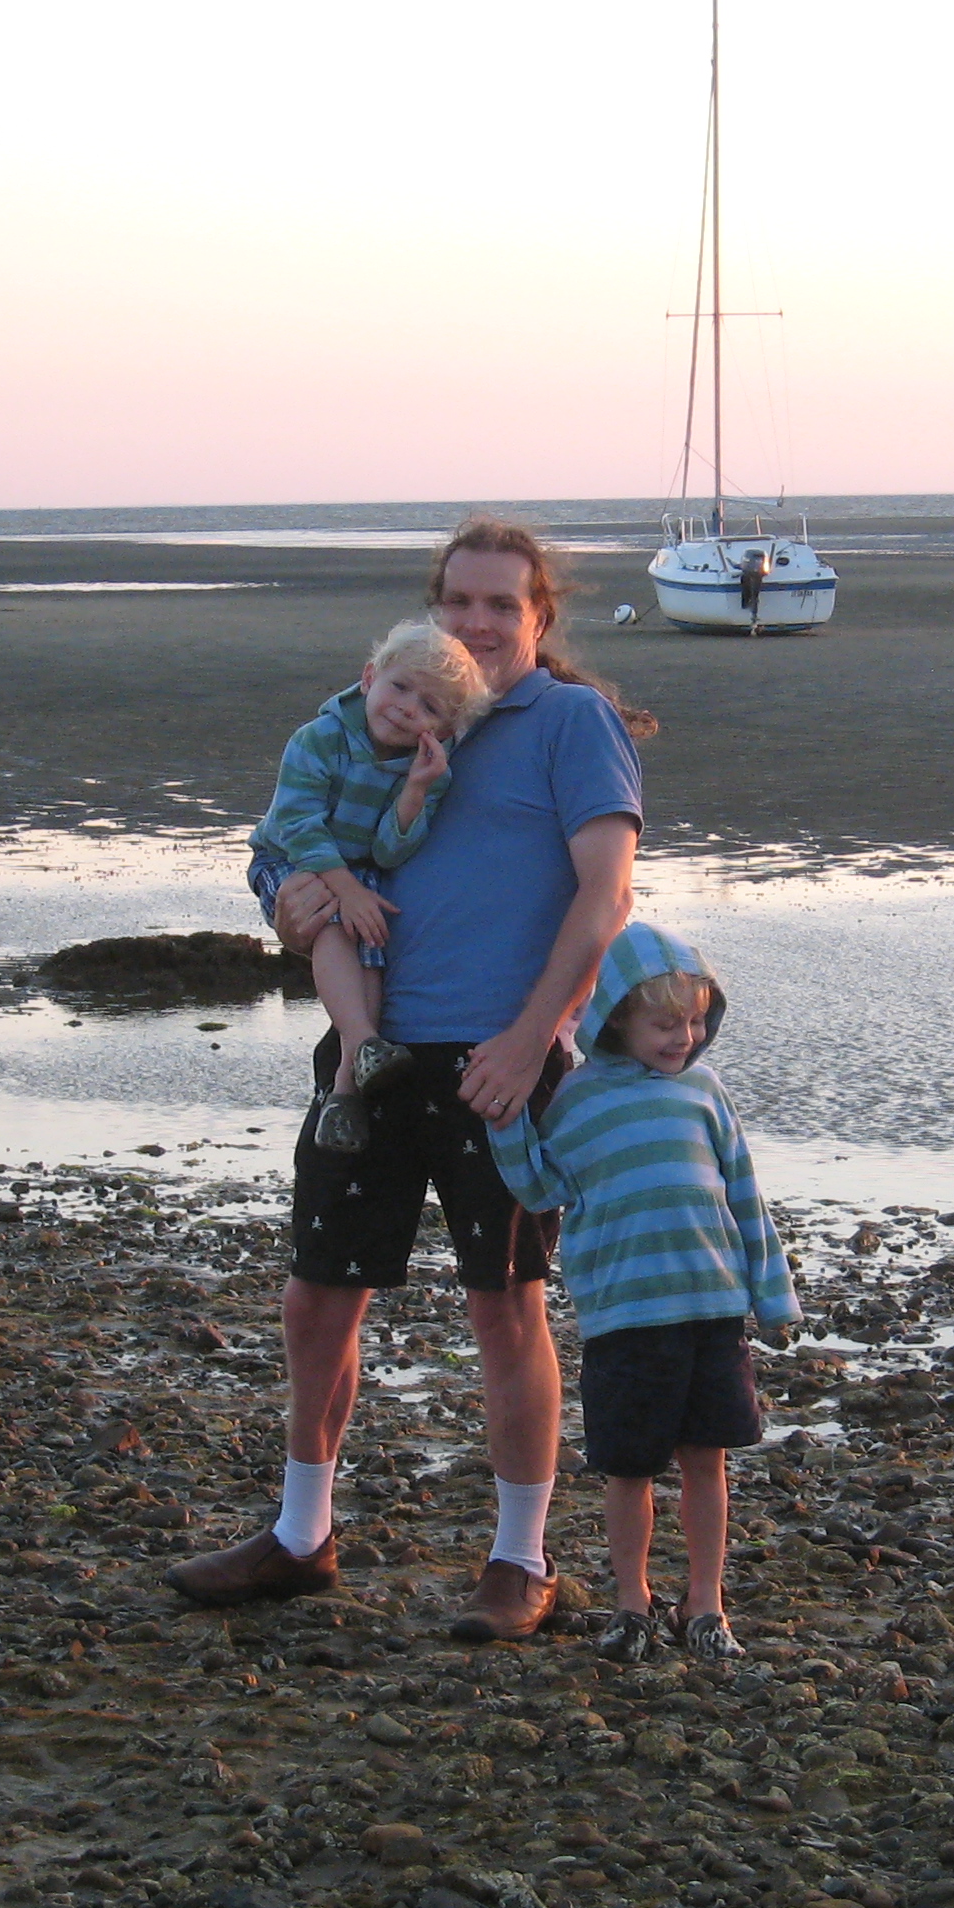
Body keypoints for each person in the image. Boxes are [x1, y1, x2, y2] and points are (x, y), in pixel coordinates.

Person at [169, 518, 655, 1643]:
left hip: (500, 1062)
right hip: (370, 1055)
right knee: (316, 1297)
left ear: (539, 617)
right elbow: (284, 843)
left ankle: (521, 1558)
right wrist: (286, 902)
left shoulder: (569, 722)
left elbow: (607, 896)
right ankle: (301, 1535)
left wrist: (533, 1039)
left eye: (501, 605)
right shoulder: (390, 705)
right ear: (429, 614)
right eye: (458, 603)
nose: (476, 624)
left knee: (505, 1306)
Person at [488, 923, 795, 1661]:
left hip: (712, 1311)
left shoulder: (706, 1092)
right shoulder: (577, 1101)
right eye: (665, 1024)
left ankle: (706, 1606)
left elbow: (745, 1196)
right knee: (628, 1470)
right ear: (618, 1017)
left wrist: (773, 1296)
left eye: (695, 1022)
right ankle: (632, 1603)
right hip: (623, 1319)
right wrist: (504, 1121)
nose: (684, 1038)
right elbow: (540, 1188)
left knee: (706, 1462)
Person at [244, 619, 494, 1153]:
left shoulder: (429, 771)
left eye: (429, 707)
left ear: (444, 730)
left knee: (373, 943)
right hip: (287, 858)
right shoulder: (320, 738)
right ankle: (362, 1041)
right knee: (335, 922)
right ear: (369, 678)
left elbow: (388, 853)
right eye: (399, 687)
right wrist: (347, 891)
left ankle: (345, 1090)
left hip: (358, 867)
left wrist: (416, 790)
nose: (406, 708)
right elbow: (296, 824)